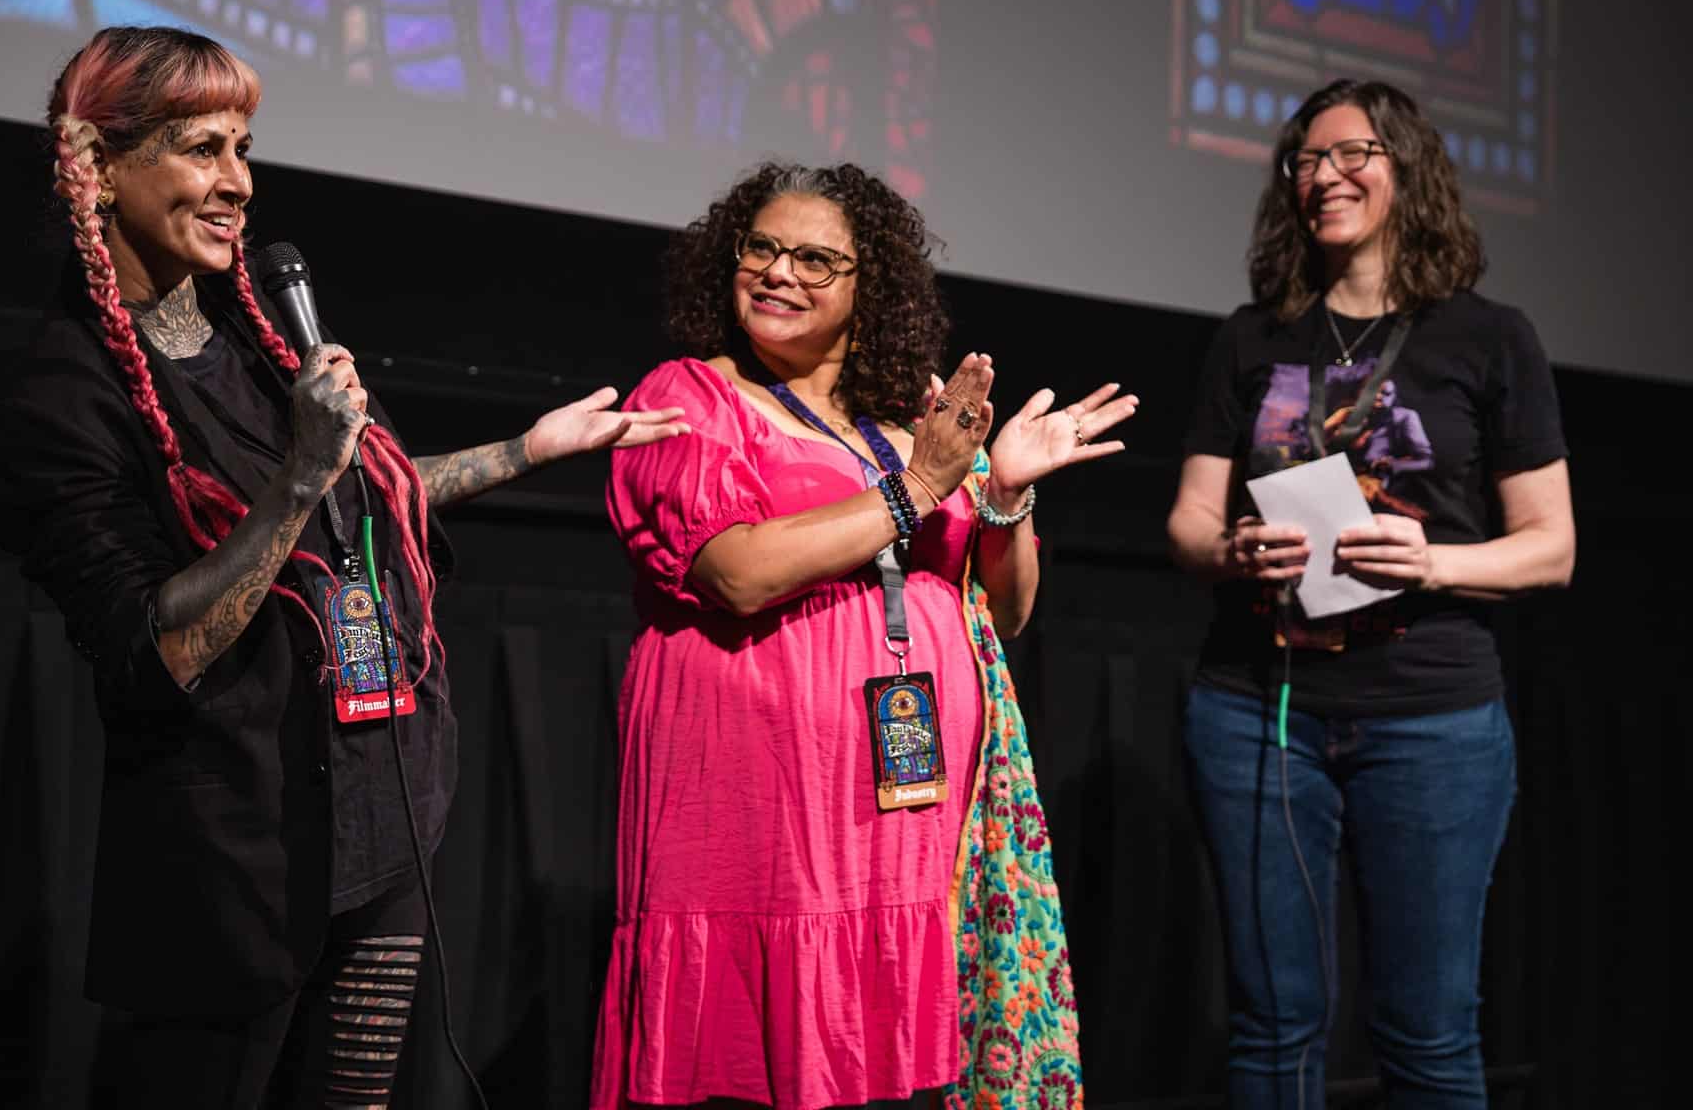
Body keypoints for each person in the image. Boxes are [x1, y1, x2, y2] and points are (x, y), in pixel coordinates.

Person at [0, 26, 685, 1109]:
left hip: (377, 822)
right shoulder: (62, 399)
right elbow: (158, 646)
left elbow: (367, 490)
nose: (238, 183)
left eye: (244, 149)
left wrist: (523, 451)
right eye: (202, 149)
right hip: (231, 863)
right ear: (101, 166)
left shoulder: (260, 339)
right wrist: (301, 473)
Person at [590, 162, 1137, 1110]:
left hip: (902, 808)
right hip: (760, 799)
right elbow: (736, 572)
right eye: (761, 248)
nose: (778, 271)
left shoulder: (905, 425)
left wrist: (1004, 494)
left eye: (815, 259)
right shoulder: (691, 397)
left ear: (866, 288)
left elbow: (1003, 614)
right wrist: (919, 488)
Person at [1166, 79, 1575, 1109]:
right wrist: (1234, 550)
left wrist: (1430, 560)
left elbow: (1550, 548)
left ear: (1407, 169)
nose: (1325, 176)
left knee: (1428, 1032)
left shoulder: (1488, 338)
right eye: (1306, 159)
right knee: (1272, 1028)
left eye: (1352, 154)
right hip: (1257, 713)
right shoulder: (1251, 337)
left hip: (1431, 721)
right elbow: (1187, 523)